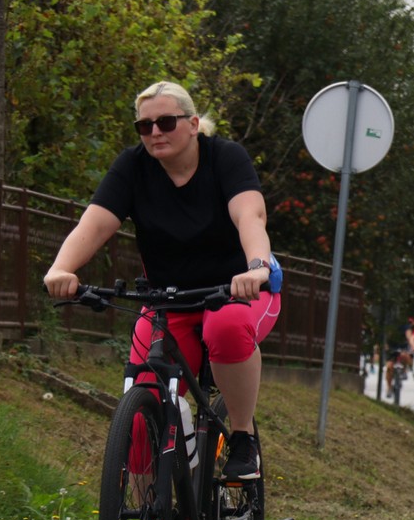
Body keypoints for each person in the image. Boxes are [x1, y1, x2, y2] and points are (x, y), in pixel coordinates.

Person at [43, 81, 280, 481]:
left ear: (191, 124)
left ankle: (242, 438)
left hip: (239, 291)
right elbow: (95, 223)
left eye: (166, 122)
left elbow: (250, 216)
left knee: (225, 327)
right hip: (169, 301)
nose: (155, 132)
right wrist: (60, 269)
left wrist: (256, 266)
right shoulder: (133, 167)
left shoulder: (225, 158)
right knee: (137, 418)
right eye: (145, 125)